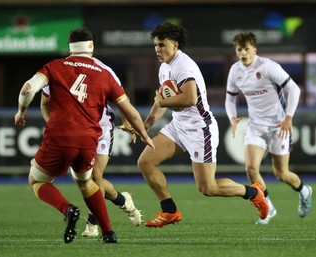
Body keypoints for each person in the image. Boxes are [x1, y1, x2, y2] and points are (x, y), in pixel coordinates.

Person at [14, 27, 154, 244]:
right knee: (88, 181)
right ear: (91, 46)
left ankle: (78, 213)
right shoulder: (104, 73)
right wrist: (144, 133)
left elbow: (27, 90)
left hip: (91, 132)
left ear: (70, 47)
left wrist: (22, 113)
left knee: (66, 179)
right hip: (89, 136)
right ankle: (111, 225)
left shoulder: (55, 67)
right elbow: (127, 107)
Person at [137, 22, 269, 228]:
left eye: (162, 45)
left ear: (175, 45)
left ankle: (253, 192)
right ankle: (170, 211)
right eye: (155, 45)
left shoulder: (183, 65)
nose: (157, 49)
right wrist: (146, 125)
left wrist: (162, 102)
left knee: (208, 188)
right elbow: (162, 100)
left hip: (200, 129)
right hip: (179, 126)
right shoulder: (164, 67)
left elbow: (189, 98)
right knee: (145, 162)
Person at [224, 32, 312, 225]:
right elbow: (230, 97)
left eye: (247, 49)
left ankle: (304, 191)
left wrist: (288, 117)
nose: (243, 53)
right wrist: (232, 117)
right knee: (251, 168)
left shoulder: (267, 66)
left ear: (254, 50)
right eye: (240, 49)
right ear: (236, 51)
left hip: (279, 126)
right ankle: (268, 207)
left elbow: (294, 89)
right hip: (255, 126)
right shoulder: (235, 71)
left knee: (282, 174)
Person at [40, 89, 142, 238]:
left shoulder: (100, 70)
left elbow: (121, 99)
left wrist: (127, 123)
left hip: (102, 129)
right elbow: (44, 104)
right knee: (87, 180)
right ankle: (122, 200)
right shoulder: (58, 71)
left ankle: (93, 223)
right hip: (75, 132)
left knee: (95, 176)